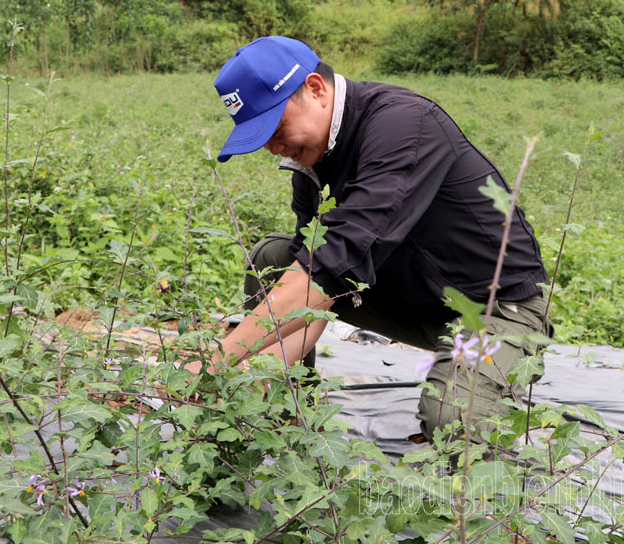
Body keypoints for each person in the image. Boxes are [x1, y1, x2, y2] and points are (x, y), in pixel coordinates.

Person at [210, 35, 551, 439]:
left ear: (316, 90)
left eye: (275, 127)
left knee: (452, 416)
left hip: (497, 309)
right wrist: (254, 375)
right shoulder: (311, 161)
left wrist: (217, 362)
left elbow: (331, 267)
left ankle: (482, 436)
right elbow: (317, 283)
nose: (272, 148)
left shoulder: (403, 125)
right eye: (260, 138)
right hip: (409, 298)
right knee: (276, 259)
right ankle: (284, 419)